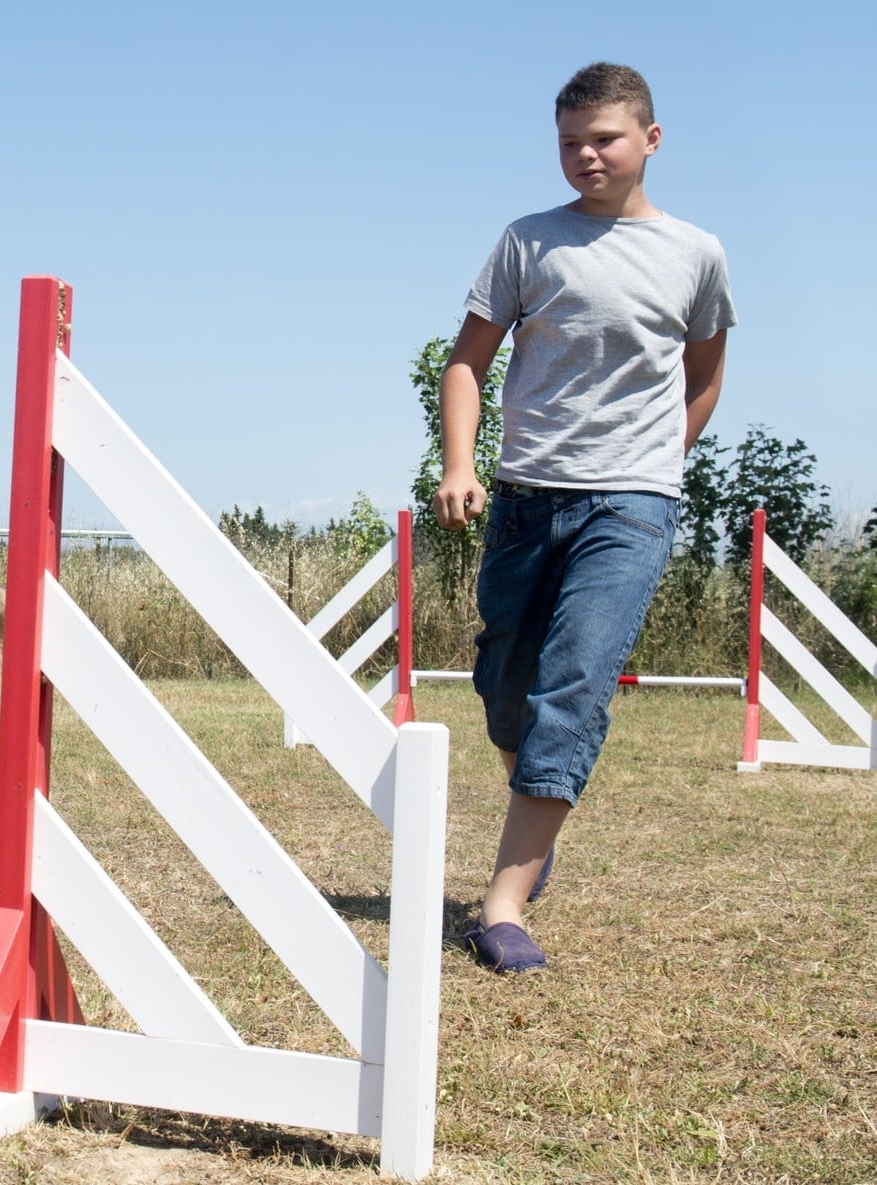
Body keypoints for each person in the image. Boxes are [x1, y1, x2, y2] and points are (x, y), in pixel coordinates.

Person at [433, 62, 735, 973]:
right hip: (528, 496)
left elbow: (706, 374)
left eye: (602, 139)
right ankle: (539, 810)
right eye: (569, 142)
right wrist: (460, 464)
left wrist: (656, 465)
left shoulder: (696, 253)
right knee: (508, 690)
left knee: (576, 683)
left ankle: (502, 905)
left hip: (633, 503)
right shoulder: (530, 243)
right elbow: (466, 365)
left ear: (650, 138)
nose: (585, 156)